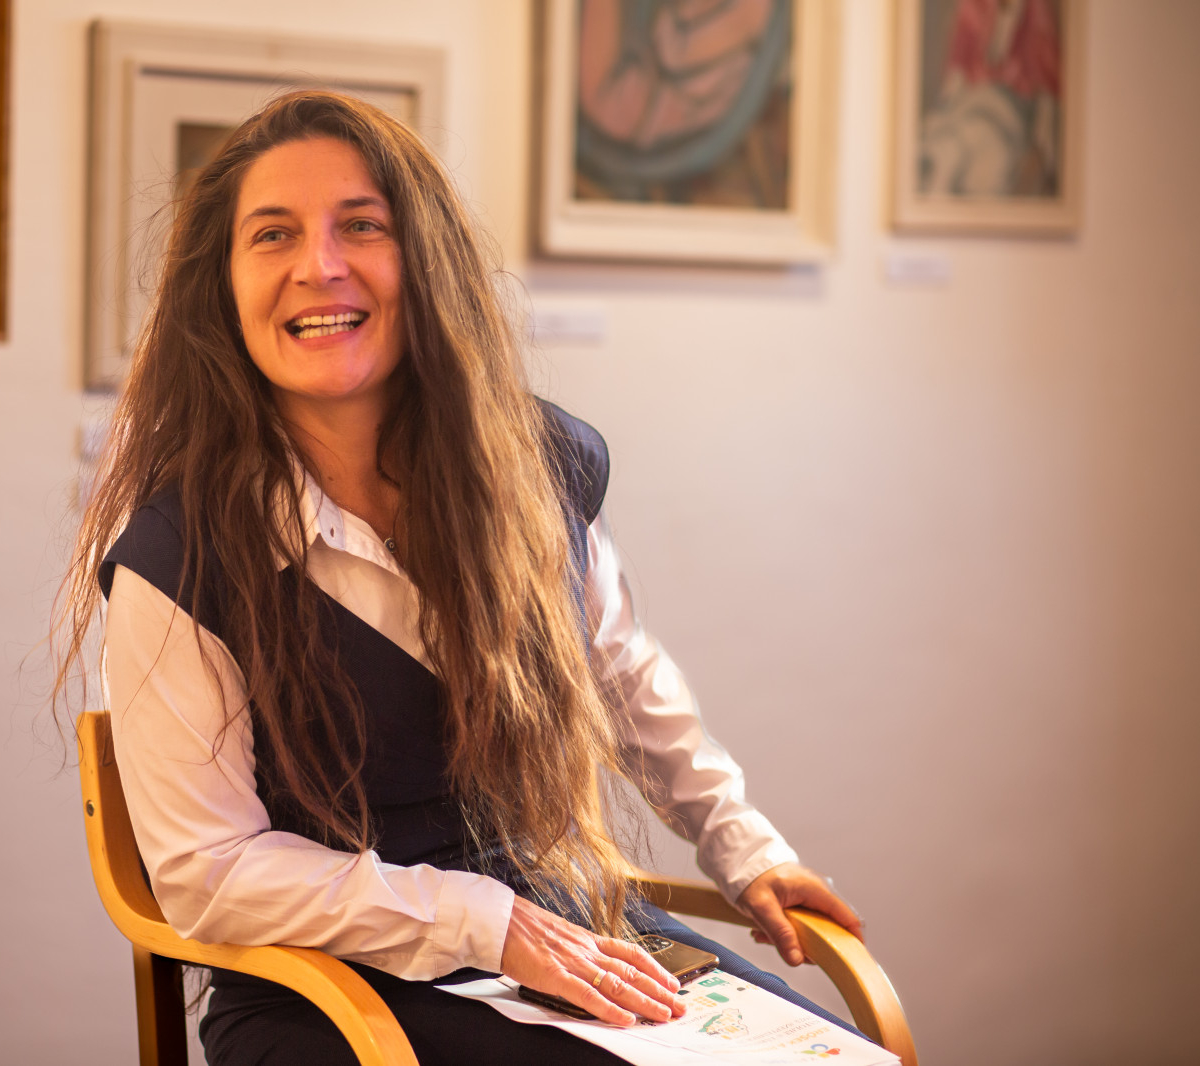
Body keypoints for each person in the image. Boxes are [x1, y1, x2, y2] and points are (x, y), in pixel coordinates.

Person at [53, 90, 865, 1065]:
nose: (320, 266)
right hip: (323, 993)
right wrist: (483, 921)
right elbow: (205, 872)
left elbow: (622, 679)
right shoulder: (179, 554)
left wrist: (745, 849)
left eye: (362, 226)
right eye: (272, 235)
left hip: (559, 929)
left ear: (426, 259)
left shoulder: (533, 466)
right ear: (219, 288)